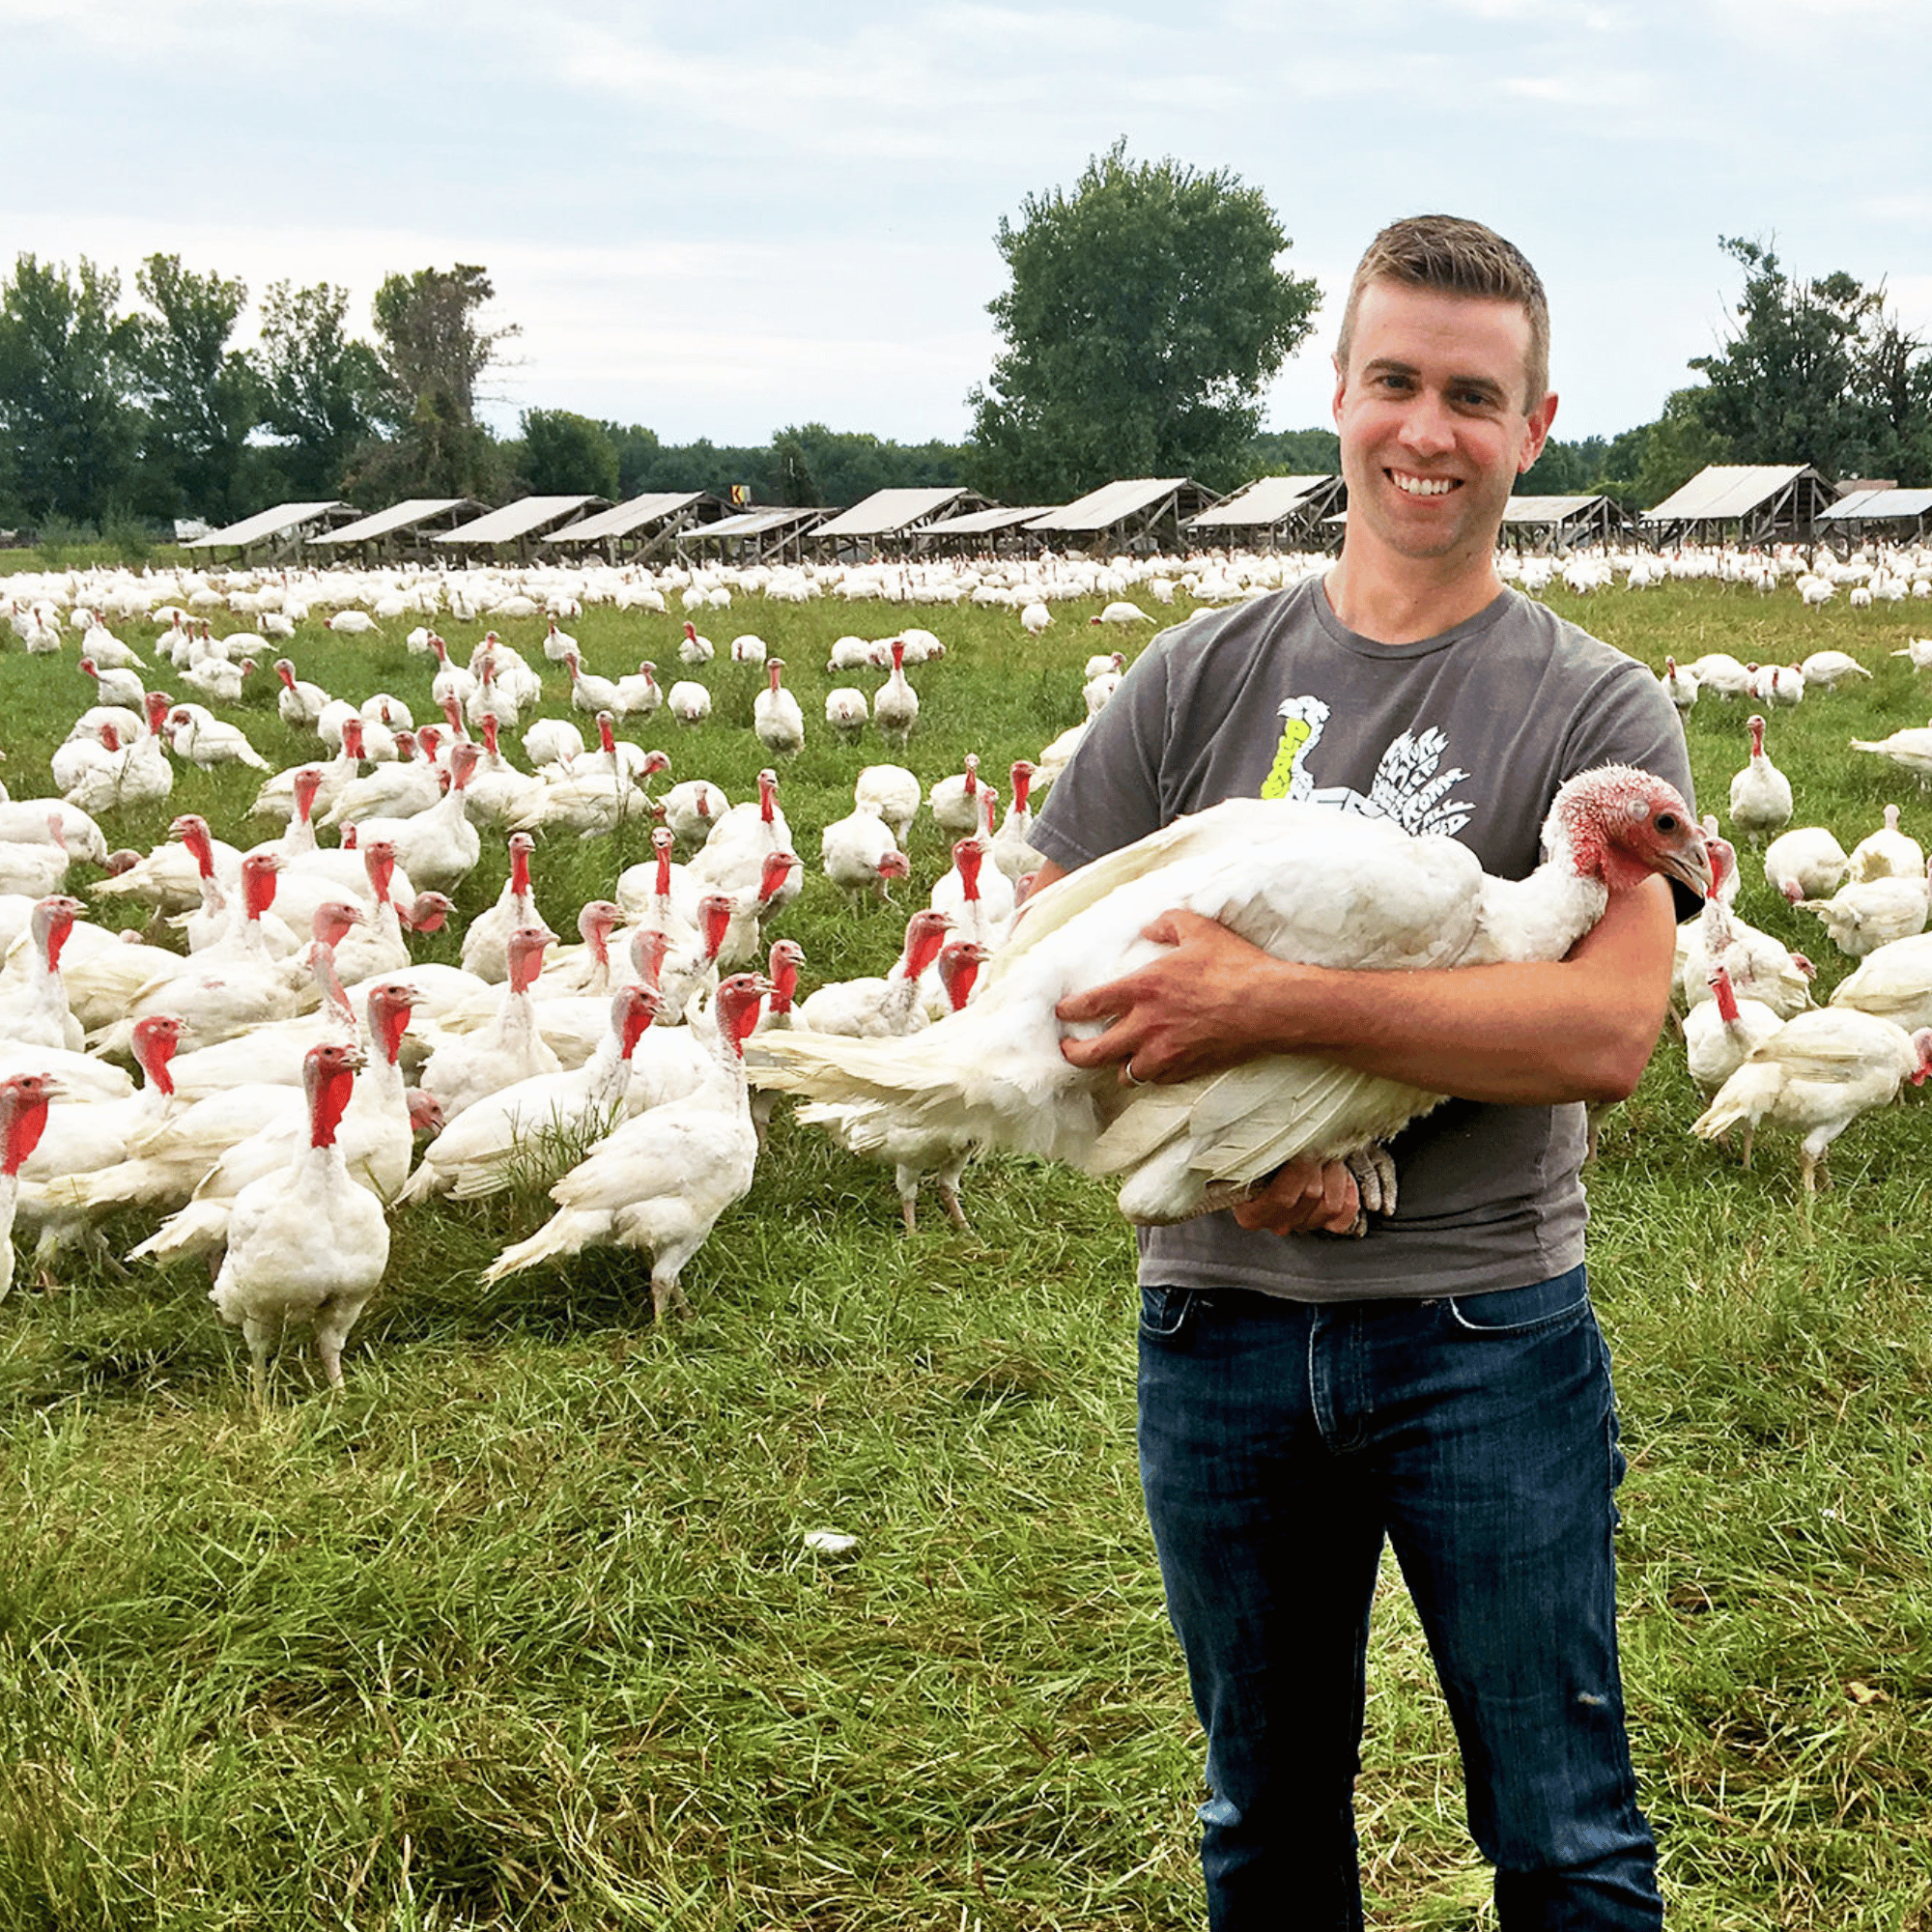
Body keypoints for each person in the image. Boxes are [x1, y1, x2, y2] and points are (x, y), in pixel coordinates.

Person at [1024, 215, 1694, 1929]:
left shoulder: (1600, 707)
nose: (1426, 430)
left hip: (1485, 1332)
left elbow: (1603, 1033)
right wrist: (1250, 1156)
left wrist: (1263, 1008)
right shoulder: (1199, 675)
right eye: (1393, 381)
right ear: (1335, 395)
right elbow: (1050, 961)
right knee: (1265, 1828)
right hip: (1220, 1322)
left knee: (1565, 1836)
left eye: (1474, 397)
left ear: (1535, 431)